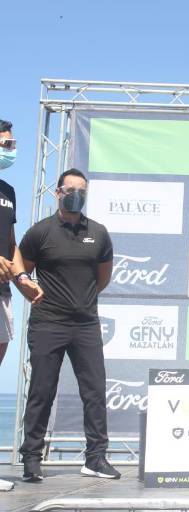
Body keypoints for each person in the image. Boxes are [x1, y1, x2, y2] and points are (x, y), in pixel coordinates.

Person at [18, 168, 120, 482]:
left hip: (86, 324)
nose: (76, 195)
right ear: (58, 192)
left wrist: (82, 301)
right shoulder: (41, 232)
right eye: (70, 189)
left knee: (94, 392)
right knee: (41, 391)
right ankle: (31, 459)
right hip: (48, 322)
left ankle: (96, 458)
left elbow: (103, 277)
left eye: (82, 191)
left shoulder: (99, 232)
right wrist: (28, 284)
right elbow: (19, 265)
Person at [0, 120, 44, 491]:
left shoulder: (8, 190)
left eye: (12, 142)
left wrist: (23, 279)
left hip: (2, 293)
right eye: (6, 142)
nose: (11, 148)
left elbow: (10, 242)